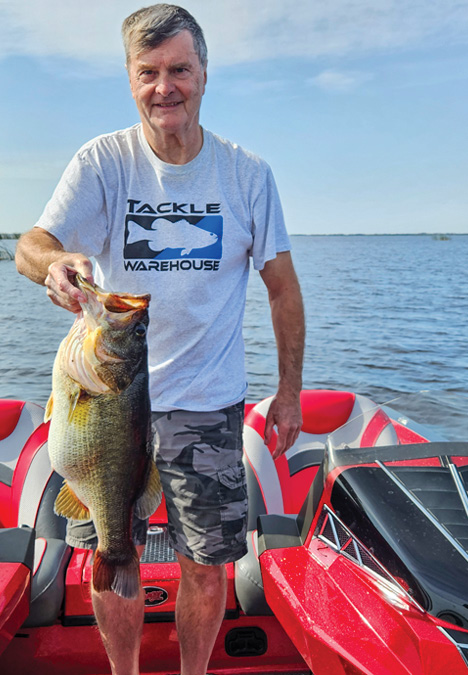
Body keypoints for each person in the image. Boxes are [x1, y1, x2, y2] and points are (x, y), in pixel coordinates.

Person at [15, 4, 305, 675]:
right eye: (148, 72)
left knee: (205, 564)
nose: (164, 86)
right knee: (107, 550)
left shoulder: (247, 174)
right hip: (108, 404)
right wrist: (53, 264)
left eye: (179, 69)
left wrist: (288, 393)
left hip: (206, 404)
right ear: (129, 78)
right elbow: (31, 245)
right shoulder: (103, 162)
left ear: (204, 73)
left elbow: (283, 288)